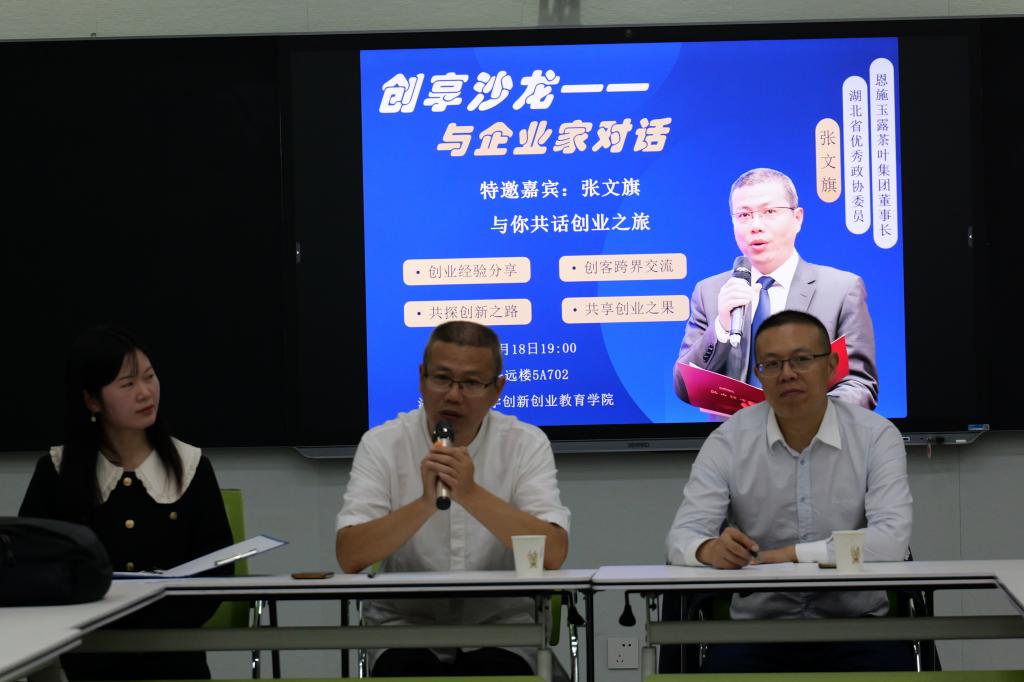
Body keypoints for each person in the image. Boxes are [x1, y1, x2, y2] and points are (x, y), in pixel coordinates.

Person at [665, 310, 914, 672]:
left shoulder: (876, 436)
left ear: (831, 366)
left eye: (801, 359)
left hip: (857, 627)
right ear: (759, 374)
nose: (787, 374)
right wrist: (709, 549)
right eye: (772, 364)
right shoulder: (729, 441)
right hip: (758, 632)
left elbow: (891, 541)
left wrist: (788, 555)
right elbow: (681, 538)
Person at [335, 320, 570, 677]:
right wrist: (424, 504)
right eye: (442, 379)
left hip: (502, 630)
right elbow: (350, 555)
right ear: (422, 378)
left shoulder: (525, 443)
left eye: (471, 383)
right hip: (405, 628)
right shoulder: (382, 444)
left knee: (493, 670)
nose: (454, 396)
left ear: (497, 390)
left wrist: (471, 494)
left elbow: (552, 553)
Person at [19, 326, 233, 680]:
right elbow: (29, 566)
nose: (145, 392)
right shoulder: (56, 471)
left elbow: (218, 568)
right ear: (92, 401)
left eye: (149, 377)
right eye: (127, 384)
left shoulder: (192, 466)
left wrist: (156, 628)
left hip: (174, 660)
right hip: (85, 657)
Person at [673, 167, 878, 409]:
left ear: (797, 218)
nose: (756, 225)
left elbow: (860, 385)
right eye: (744, 215)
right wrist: (721, 328)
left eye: (769, 212)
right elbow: (684, 387)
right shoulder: (709, 292)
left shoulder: (841, 289)